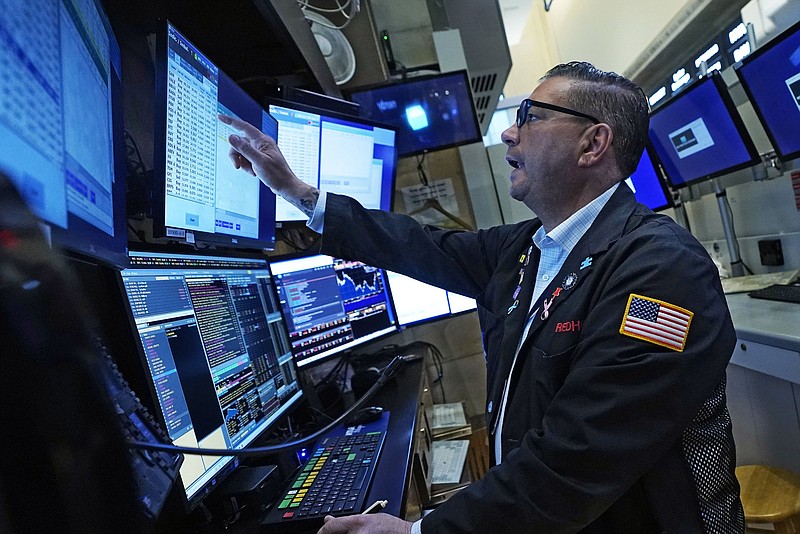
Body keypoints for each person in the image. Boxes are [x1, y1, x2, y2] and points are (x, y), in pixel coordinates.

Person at [219, 61, 743, 533]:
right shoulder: (527, 249)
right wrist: (297, 192)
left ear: (592, 144)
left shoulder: (661, 269)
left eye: (533, 116)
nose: (511, 133)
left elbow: (578, 460)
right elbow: (421, 246)